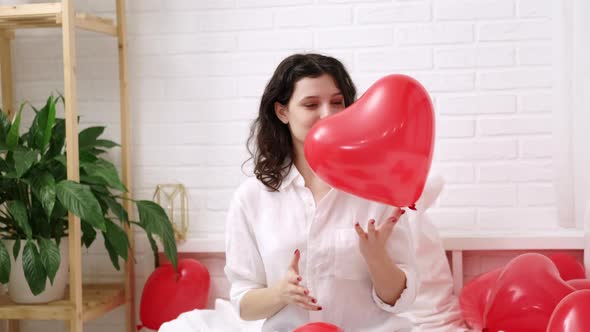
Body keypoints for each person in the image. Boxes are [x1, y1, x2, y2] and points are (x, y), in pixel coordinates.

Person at [224, 53, 419, 332]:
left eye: (337, 102)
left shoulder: (378, 190)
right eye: (311, 104)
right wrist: (280, 293)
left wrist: (377, 258)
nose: (327, 114)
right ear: (282, 112)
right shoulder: (251, 198)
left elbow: (400, 301)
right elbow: (243, 303)